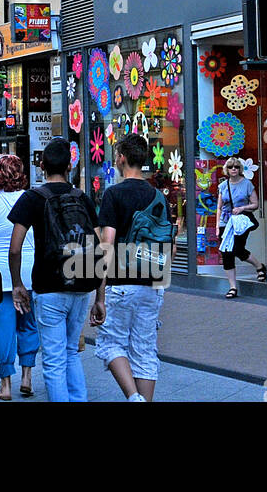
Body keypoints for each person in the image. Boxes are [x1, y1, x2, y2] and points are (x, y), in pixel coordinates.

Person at [9, 138, 100, 402]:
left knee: (54, 360)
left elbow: (15, 248)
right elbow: (99, 247)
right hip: (82, 284)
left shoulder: (33, 197)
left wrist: (18, 285)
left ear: (41, 165)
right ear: (70, 166)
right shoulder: (82, 198)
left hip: (48, 285)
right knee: (71, 351)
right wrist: (100, 295)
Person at [92, 134, 169, 401]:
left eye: (116, 155)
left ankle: (134, 398)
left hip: (121, 284)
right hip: (153, 283)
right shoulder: (158, 196)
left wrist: (99, 296)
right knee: (145, 350)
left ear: (122, 158)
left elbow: (107, 245)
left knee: (111, 343)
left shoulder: (113, 194)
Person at [0, 154, 38, 400]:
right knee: (28, 324)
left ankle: (5, 385)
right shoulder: (32, 199)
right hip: (30, 271)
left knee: (2, 329)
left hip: (1, 275)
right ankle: (27, 377)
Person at [217, 157, 267, 298]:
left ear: (240, 169)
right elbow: (219, 207)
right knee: (227, 254)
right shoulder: (223, 185)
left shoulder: (247, 184)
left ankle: (259, 266)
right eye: (230, 167)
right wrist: (217, 226)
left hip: (240, 222)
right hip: (225, 223)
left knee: (238, 249)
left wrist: (242, 208)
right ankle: (233, 287)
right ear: (226, 170)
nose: (233, 169)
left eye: (235, 166)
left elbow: (255, 204)